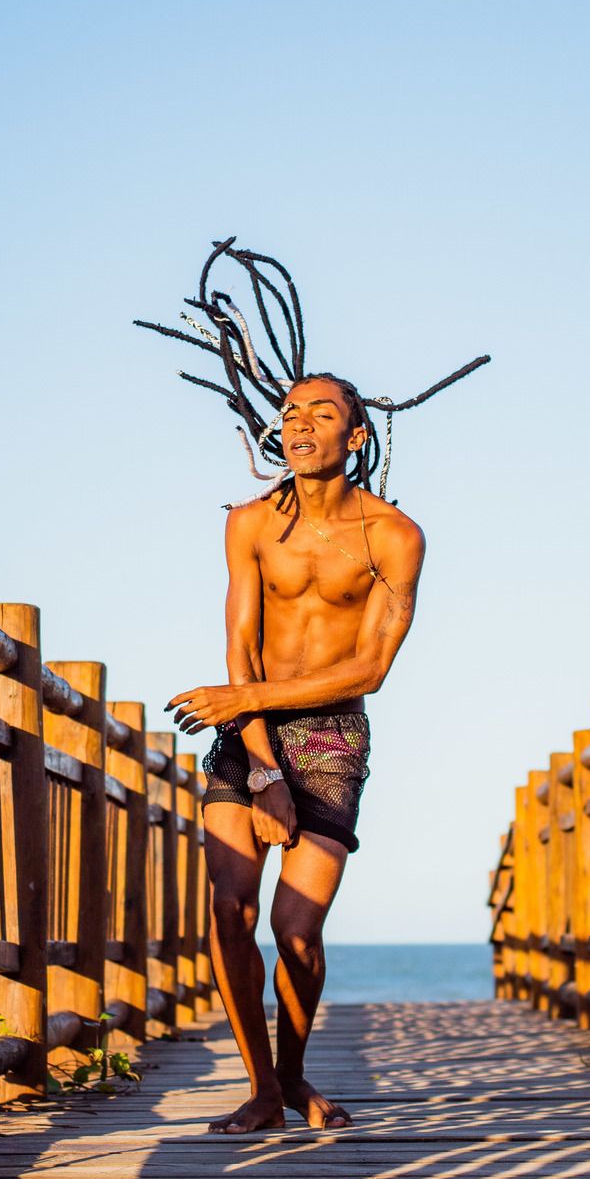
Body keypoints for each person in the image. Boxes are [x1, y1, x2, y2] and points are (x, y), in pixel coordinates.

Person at [168, 375, 425, 1132]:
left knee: (297, 929)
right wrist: (262, 766)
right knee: (228, 906)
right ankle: (262, 1087)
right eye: (290, 413)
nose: (301, 424)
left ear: (356, 437)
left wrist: (248, 703)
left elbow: (371, 668)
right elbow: (241, 646)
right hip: (247, 737)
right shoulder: (249, 524)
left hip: (330, 737)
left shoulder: (393, 535)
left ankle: (293, 1072)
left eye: (323, 413)